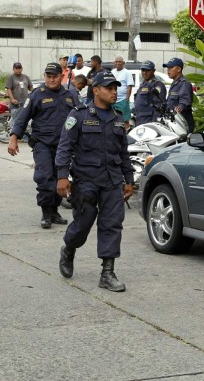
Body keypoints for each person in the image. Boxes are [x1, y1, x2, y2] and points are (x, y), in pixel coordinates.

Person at [55, 72, 135, 292]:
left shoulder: (118, 118)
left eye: (115, 87)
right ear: (96, 90)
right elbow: (65, 147)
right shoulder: (79, 115)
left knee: (111, 225)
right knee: (83, 224)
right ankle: (69, 248)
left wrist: (129, 180)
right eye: (109, 87)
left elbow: (124, 153)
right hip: (86, 181)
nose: (113, 91)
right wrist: (62, 176)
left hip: (111, 182)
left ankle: (107, 273)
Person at [6, 62, 79, 229]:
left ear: (62, 77)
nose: (51, 79)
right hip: (43, 145)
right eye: (48, 76)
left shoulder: (70, 95)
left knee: (60, 178)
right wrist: (13, 138)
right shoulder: (37, 95)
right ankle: (46, 213)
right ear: (45, 76)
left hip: (64, 147)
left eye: (55, 76)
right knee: (45, 178)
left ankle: (54, 211)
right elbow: (22, 119)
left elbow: (80, 116)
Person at [163, 57, 194, 133]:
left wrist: (179, 108)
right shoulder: (175, 83)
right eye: (167, 68)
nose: (168, 70)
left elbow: (185, 102)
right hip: (175, 124)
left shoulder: (184, 83)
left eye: (171, 67)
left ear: (179, 69)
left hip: (182, 124)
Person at [133, 60, 166, 126]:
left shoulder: (157, 85)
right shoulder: (143, 84)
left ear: (153, 71)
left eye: (147, 70)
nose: (144, 73)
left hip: (149, 121)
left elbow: (159, 107)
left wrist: (155, 124)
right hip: (140, 120)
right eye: (143, 70)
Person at [5, 62, 33, 130]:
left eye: (19, 68)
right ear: (13, 69)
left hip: (25, 103)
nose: (18, 70)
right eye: (16, 68)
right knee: (16, 121)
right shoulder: (11, 77)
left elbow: (30, 87)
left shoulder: (26, 77)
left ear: (22, 69)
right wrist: (12, 99)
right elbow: (9, 89)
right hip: (15, 104)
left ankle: (24, 137)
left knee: (25, 121)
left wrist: (36, 91)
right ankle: (14, 137)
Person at [111, 55, 134, 130]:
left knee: (125, 120)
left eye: (120, 62)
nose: (118, 63)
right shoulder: (112, 72)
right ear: (114, 63)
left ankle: (126, 134)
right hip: (113, 100)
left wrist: (126, 100)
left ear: (123, 63)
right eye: (116, 62)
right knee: (113, 119)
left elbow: (129, 87)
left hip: (123, 100)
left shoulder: (127, 72)